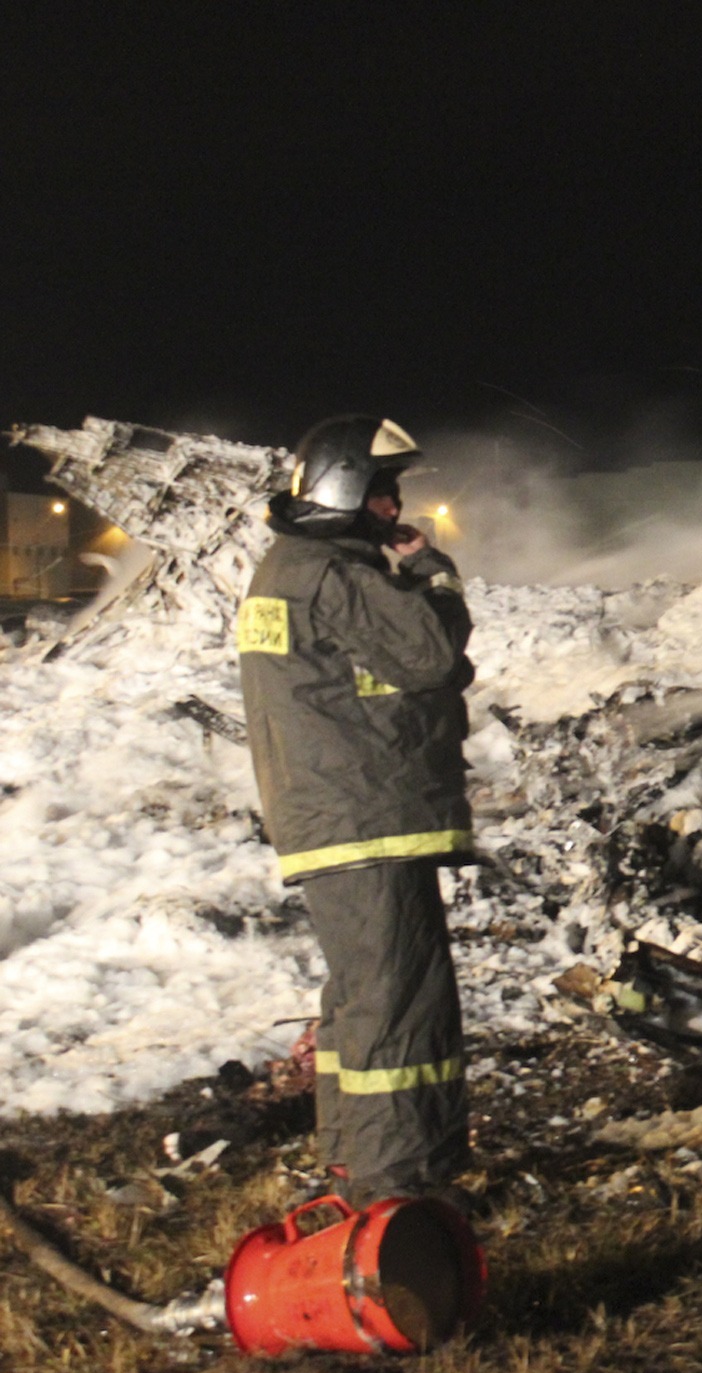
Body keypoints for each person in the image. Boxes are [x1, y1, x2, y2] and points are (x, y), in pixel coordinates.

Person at [236, 415, 476, 1206]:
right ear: (344, 489)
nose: (394, 507)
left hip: (340, 814)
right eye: (383, 493)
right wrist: (434, 574)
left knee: (362, 999)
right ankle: (398, 1184)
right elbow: (433, 656)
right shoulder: (331, 573)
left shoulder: (295, 566)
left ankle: (356, 1157)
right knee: (399, 1003)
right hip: (365, 815)